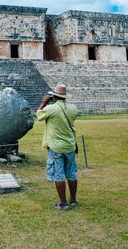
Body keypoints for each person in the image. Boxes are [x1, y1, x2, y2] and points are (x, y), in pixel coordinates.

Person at [36, 83, 79, 211]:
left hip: (56, 147)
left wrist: (43, 104)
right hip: (69, 145)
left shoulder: (51, 109)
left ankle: (63, 203)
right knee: (71, 174)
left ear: (54, 96)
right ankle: (73, 200)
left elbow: (39, 116)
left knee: (58, 175)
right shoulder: (73, 108)